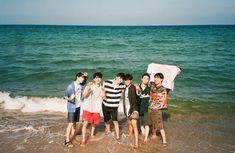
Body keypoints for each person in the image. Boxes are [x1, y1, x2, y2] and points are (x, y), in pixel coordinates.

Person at [80, 72, 106, 147]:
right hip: (88, 108)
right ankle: (83, 139)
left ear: (101, 79)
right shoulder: (90, 85)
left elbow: (104, 98)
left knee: (94, 124)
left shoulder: (102, 87)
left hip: (96, 109)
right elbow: (84, 96)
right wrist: (88, 89)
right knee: (85, 124)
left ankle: (92, 134)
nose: (98, 79)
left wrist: (104, 92)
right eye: (96, 77)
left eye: (99, 77)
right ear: (94, 79)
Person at [63, 72, 88, 147]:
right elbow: (64, 96)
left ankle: (72, 135)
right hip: (72, 107)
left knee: (74, 122)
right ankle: (67, 141)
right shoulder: (71, 86)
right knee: (70, 124)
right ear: (77, 77)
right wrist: (70, 98)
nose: (83, 79)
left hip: (78, 106)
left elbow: (84, 83)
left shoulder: (80, 85)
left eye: (83, 78)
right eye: (81, 78)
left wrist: (86, 76)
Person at [102, 73, 125, 140]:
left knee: (115, 121)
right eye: (119, 78)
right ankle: (108, 131)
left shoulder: (122, 86)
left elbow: (127, 90)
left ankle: (117, 136)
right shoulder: (106, 82)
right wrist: (103, 95)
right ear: (116, 77)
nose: (120, 80)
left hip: (114, 106)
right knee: (106, 120)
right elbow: (102, 90)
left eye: (122, 79)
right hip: (105, 105)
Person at [149, 73, 168, 146]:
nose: (155, 79)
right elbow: (150, 84)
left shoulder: (163, 89)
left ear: (161, 79)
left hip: (157, 108)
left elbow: (164, 99)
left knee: (160, 125)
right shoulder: (153, 86)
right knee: (152, 123)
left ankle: (164, 141)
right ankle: (154, 134)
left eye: (157, 78)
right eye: (155, 78)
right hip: (150, 107)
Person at [123, 74, 140, 149]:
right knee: (129, 124)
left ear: (131, 80)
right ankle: (130, 137)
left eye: (128, 80)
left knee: (134, 125)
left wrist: (138, 89)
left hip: (134, 109)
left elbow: (138, 94)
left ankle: (136, 143)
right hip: (126, 109)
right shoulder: (125, 88)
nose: (127, 81)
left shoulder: (133, 87)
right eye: (125, 80)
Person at [135, 73, 151, 143]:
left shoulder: (150, 88)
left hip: (146, 109)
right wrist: (138, 90)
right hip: (139, 108)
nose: (145, 80)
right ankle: (144, 134)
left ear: (148, 80)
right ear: (141, 79)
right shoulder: (138, 87)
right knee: (141, 124)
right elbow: (137, 95)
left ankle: (145, 138)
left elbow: (152, 98)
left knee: (146, 124)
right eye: (144, 78)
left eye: (147, 79)